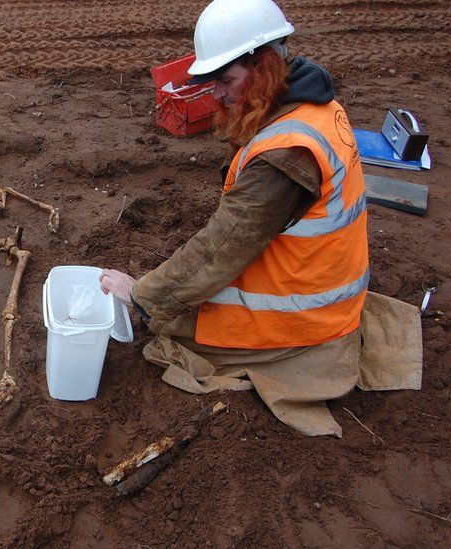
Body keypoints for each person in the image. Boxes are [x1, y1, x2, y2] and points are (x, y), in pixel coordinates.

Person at [100, 0, 420, 436]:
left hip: (303, 317)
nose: (216, 94)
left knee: (170, 330)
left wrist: (142, 297)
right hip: (323, 284)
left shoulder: (286, 155)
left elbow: (221, 247)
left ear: (264, 65)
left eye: (226, 80)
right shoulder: (315, 104)